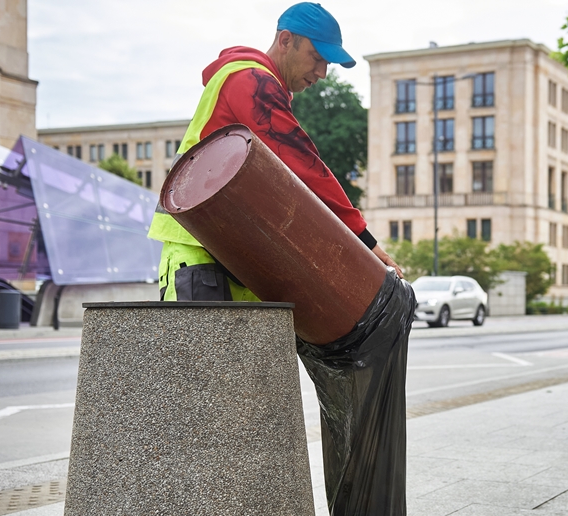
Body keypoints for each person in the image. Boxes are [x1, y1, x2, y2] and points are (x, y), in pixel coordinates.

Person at [149, 2, 401, 301]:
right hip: (199, 245)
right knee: (204, 347)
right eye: (317, 57)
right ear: (285, 41)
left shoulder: (264, 87)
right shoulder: (250, 81)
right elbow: (303, 164)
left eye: (327, 64)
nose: (322, 72)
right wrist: (364, 241)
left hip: (231, 250)